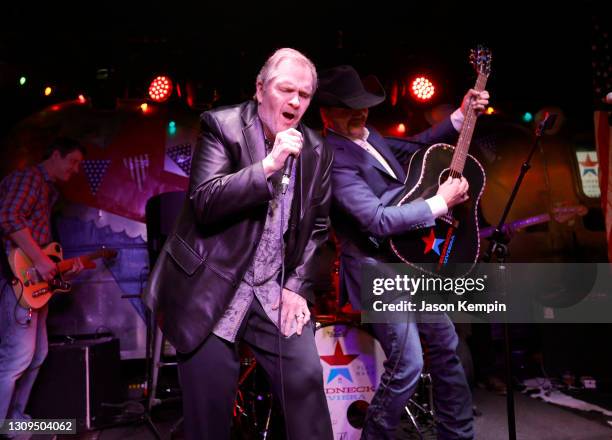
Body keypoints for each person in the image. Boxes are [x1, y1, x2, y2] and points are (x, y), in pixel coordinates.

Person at [143, 48, 333, 440]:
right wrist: (268, 165)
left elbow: (318, 226)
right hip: (209, 288)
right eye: (286, 90)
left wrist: (297, 287)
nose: (296, 102)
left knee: (306, 381)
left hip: (270, 289)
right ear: (261, 89)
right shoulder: (222, 125)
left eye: (305, 94)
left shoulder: (317, 148)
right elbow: (206, 202)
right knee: (210, 414)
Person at [317, 65, 489, 439]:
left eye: (361, 105)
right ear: (326, 113)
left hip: (408, 261)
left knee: (446, 346)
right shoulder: (332, 156)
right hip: (374, 268)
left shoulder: (370, 137)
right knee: (407, 363)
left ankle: (458, 435)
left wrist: (461, 114)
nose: (358, 113)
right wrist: (440, 204)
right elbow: (376, 220)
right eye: (347, 108)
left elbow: (417, 145)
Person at [0, 137, 85, 435]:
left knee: (37, 355)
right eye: (72, 162)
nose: (75, 170)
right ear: (56, 154)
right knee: (16, 358)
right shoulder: (30, 178)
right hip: (16, 284)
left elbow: (42, 253)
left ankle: (14, 419)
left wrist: (57, 268)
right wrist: (39, 259)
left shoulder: (48, 191)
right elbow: (8, 217)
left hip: (33, 286)